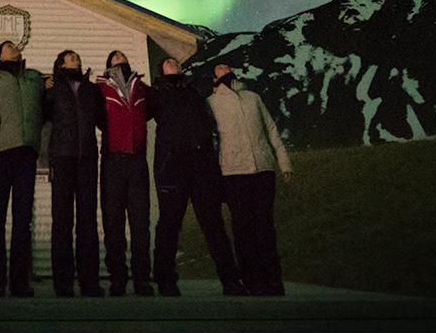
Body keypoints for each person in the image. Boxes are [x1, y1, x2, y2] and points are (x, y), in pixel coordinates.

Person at [151, 57, 246, 297]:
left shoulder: (194, 88)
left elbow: (221, 96)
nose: (172, 62)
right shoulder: (156, 93)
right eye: (167, 61)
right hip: (172, 165)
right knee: (170, 225)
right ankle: (166, 281)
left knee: (213, 224)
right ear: (161, 70)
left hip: (202, 164)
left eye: (175, 61)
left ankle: (231, 281)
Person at [206, 62, 292, 296]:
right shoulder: (212, 103)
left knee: (265, 227)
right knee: (243, 229)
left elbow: (271, 129)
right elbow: (212, 141)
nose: (222, 69)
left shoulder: (253, 97)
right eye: (218, 68)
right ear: (214, 78)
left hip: (263, 169)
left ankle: (273, 281)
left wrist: (283, 161)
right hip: (233, 173)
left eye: (225, 66)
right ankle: (253, 281)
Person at [0, 40, 44, 297]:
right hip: (0, 153)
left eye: (16, 45)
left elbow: (45, 108)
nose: (15, 47)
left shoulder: (34, 78)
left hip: (27, 153)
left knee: (23, 221)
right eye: (9, 45)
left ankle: (19, 282)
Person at [42, 49, 106, 298]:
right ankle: (63, 283)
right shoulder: (53, 87)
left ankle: (89, 282)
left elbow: (102, 118)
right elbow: (43, 113)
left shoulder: (91, 89)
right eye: (71, 57)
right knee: (62, 221)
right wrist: (46, 89)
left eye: (78, 57)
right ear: (60, 63)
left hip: (88, 158)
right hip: (62, 157)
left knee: (88, 221)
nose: (77, 59)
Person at [97, 49, 153, 296]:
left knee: (141, 223)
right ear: (109, 64)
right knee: (114, 223)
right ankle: (118, 278)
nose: (120, 56)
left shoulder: (142, 87)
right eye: (115, 56)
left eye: (123, 55)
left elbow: (152, 110)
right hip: (112, 160)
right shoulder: (101, 88)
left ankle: (142, 279)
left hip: (137, 160)